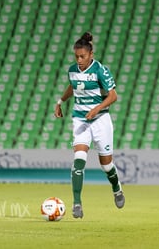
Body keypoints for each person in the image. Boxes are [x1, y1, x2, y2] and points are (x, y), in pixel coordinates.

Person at [54, 32, 125, 219]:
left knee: (106, 165)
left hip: (100, 119)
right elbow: (73, 85)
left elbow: (113, 96)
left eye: (82, 56)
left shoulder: (100, 70)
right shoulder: (72, 69)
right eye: (76, 56)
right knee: (79, 160)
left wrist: (97, 109)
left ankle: (116, 188)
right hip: (80, 119)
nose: (79, 60)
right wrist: (60, 101)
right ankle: (77, 204)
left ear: (91, 54)